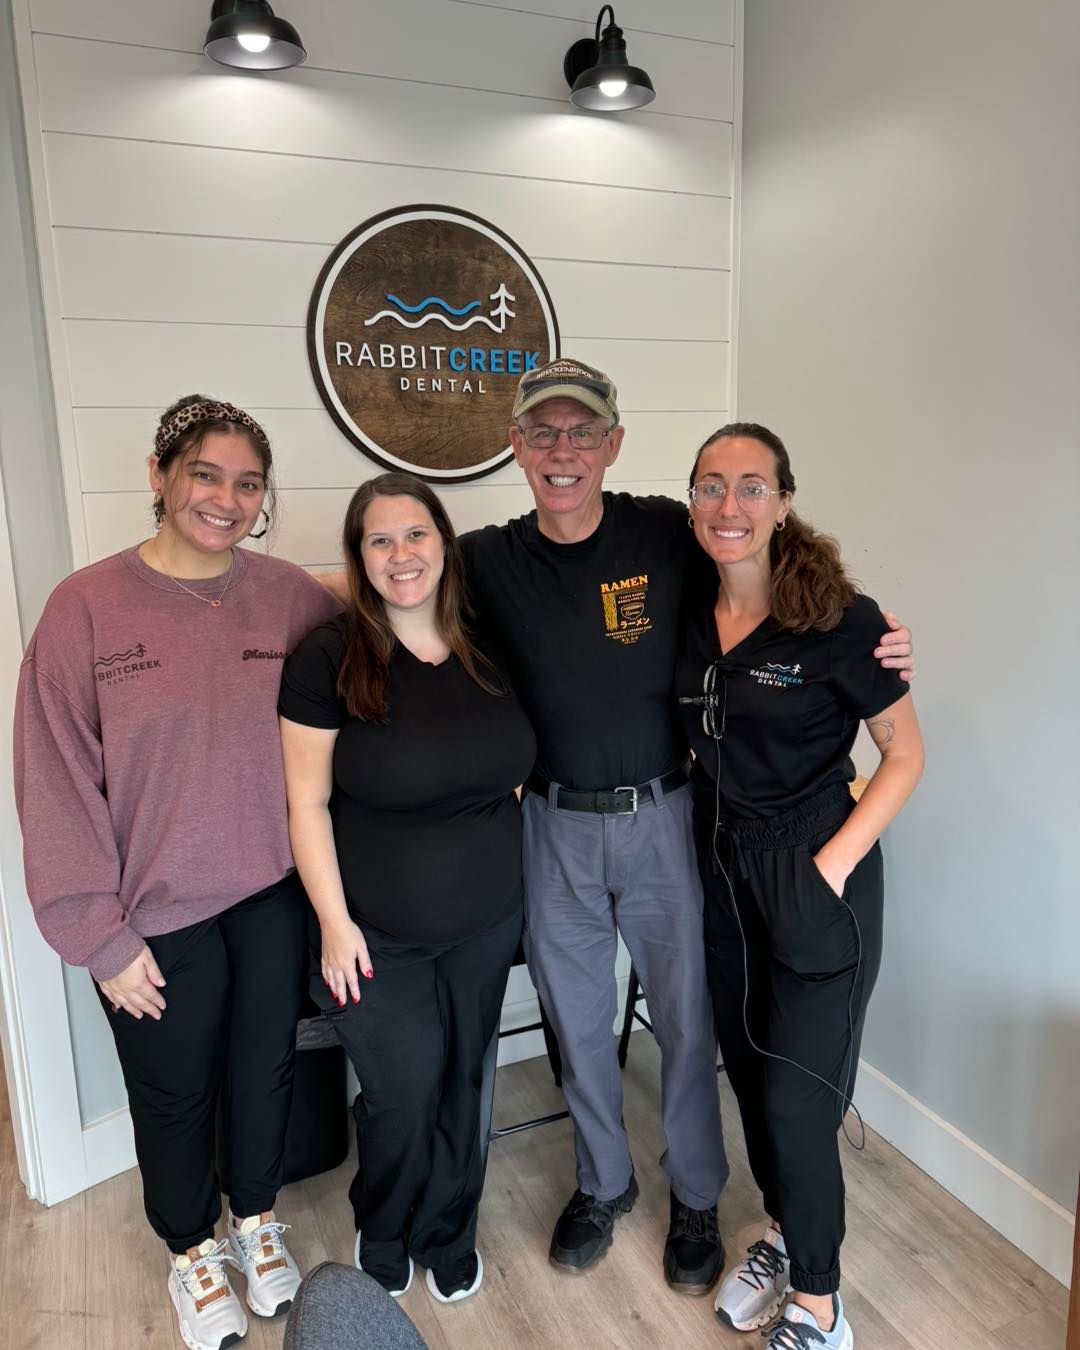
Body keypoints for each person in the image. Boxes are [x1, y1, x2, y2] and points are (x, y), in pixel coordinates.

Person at [459, 358, 915, 1294]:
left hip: (671, 815)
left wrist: (876, 632)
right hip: (552, 825)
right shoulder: (486, 560)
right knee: (579, 1025)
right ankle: (604, 1183)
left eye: (582, 432)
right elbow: (392, 576)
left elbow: (777, 572)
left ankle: (698, 1198)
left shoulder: (668, 530)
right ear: (514, 446)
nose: (562, 450)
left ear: (614, 445)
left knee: (688, 1021)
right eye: (541, 432)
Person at [13, 396, 344, 1350]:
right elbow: (52, 776)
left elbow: (368, 635)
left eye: (247, 483)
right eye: (206, 475)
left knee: (266, 1070)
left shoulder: (286, 596)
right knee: (172, 1093)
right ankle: (191, 1249)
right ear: (161, 477)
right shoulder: (86, 608)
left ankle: (254, 1219)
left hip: (270, 895)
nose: (226, 498)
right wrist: (98, 935)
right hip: (151, 918)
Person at [675, 423, 924, 1349]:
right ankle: (785, 1231)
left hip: (819, 871)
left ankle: (821, 1305)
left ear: (784, 499)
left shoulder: (843, 619)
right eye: (711, 486)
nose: (728, 506)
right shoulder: (687, 605)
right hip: (724, 871)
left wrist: (829, 866)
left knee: (797, 1098)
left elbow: (904, 755)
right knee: (748, 1071)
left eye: (750, 487)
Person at [278, 473, 535, 1306]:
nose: (401, 554)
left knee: (466, 1078)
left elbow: (516, 765)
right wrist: (333, 923)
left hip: (489, 921)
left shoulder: (491, 645)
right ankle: (383, 1222)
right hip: (376, 932)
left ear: (444, 543)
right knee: (401, 1092)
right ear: (358, 556)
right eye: (379, 540)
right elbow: (306, 802)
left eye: (415, 534)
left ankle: (448, 1230)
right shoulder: (330, 657)